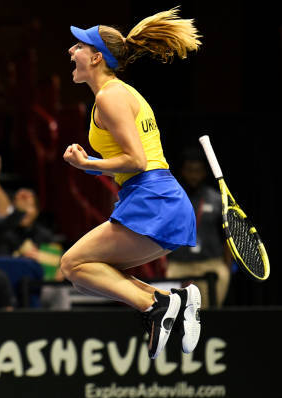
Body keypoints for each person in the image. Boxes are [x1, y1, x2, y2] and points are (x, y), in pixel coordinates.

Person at [59, 8, 202, 359]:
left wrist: (88, 164)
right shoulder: (119, 93)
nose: (71, 51)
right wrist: (93, 166)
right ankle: (172, 300)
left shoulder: (110, 96)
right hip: (155, 196)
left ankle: (156, 305)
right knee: (87, 276)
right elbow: (132, 162)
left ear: (96, 57)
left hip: (154, 198)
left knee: (72, 265)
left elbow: (137, 161)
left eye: (79, 46)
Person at [166, 148, 231, 308]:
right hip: (178, 266)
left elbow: (227, 236)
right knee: (176, 314)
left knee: (210, 315)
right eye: (189, 170)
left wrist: (226, 267)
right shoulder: (172, 198)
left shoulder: (216, 199)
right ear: (182, 171)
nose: (194, 176)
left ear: (204, 173)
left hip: (211, 265)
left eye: (198, 171)